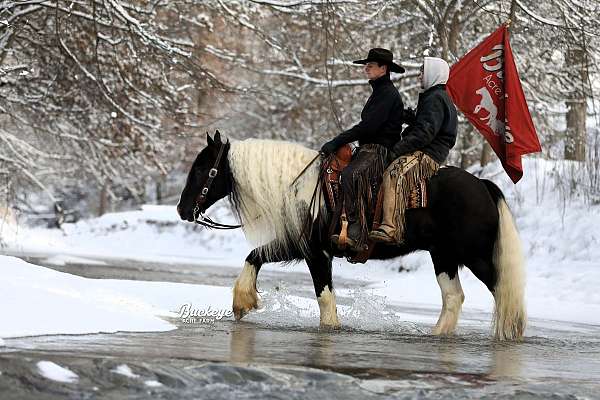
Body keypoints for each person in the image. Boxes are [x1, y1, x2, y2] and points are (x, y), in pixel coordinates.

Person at [320, 48, 407, 252]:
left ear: (383, 68)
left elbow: (368, 127)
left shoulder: (387, 94)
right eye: (366, 64)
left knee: (351, 174)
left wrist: (336, 141)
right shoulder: (380, 92)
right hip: (367, 148)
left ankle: (356, 229)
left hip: (379, 150)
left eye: (371, 65)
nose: (366, 68)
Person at [369, 56, 458, 244]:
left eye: (423, 72)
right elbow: (426, 123)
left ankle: (391, 228)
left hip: (428, 154)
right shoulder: (434, 96)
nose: (419, 76)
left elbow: (425, 133)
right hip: (427, 150)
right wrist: (409, 117)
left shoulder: (435, 99)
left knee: (394, 173)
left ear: (434, 74)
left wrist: (396, 150)